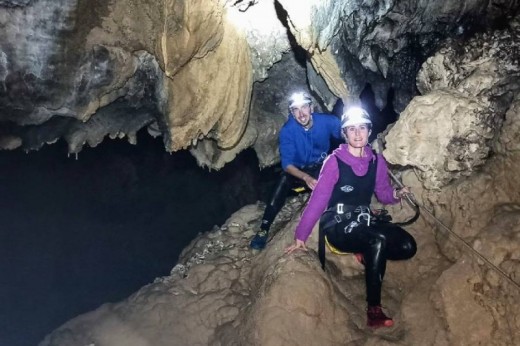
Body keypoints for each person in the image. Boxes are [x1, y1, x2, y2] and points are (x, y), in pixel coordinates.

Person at [285, 106, 417, 328]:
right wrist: (301, 236)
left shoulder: (376, 161)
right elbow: (318, 201)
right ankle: (373, 310)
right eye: (351, 129)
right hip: (337, 226)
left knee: (407, 246)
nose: (357, 134)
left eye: (362, 128)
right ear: (344, 134)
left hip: (363, 221)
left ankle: (366, 254)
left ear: (369, 131)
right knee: (376, 240)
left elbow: (383, 192)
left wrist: (396, 195)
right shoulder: (334, 162)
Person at [250, 92, 342, 250]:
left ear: (311, 108)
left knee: (339, 171)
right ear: (292, 113)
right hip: (299, 172)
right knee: (283, 181)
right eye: (296, 110)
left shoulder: (327, 122)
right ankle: (263, 229)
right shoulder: (288, 131)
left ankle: (342, 217)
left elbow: (345, 133)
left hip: (321, 166)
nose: (301, 114)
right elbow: (287, 165)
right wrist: (305, 177)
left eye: (304, 107)